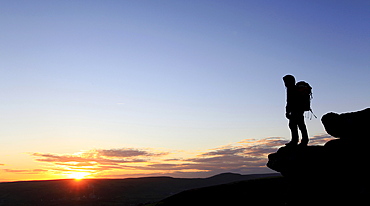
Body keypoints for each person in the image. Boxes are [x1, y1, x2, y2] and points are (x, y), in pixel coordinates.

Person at [283, 74, 309, 146]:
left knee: (295, 125)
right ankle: (303, 140)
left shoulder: (291, 89)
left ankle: (296, 141)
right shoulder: (294, 88)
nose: (285, 84)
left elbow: (289, 101)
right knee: (299, 125)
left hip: (296, 110)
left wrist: (287, 111)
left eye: (286, 82)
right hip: (299, 109)